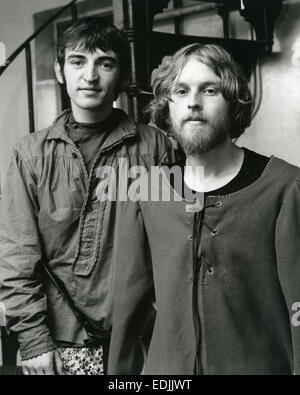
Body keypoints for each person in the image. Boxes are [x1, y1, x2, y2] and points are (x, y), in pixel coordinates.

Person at [108, 43, 300, 375]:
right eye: (181, 91)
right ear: (168, 109)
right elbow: (127, 309)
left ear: (233, 102)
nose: (193, 102)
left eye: (209, 90)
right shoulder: (145, 192)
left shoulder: (284, 187)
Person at [0, 17, 175, 375]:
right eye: (78, 62)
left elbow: (171, 245)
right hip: (57, 343)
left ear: (122, 75)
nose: (90, 76)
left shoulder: (155, 146)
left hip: (136, 339)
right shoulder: (30, 154)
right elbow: (17, 254)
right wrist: (33, 340)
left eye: (105, 63)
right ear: (60, 71)